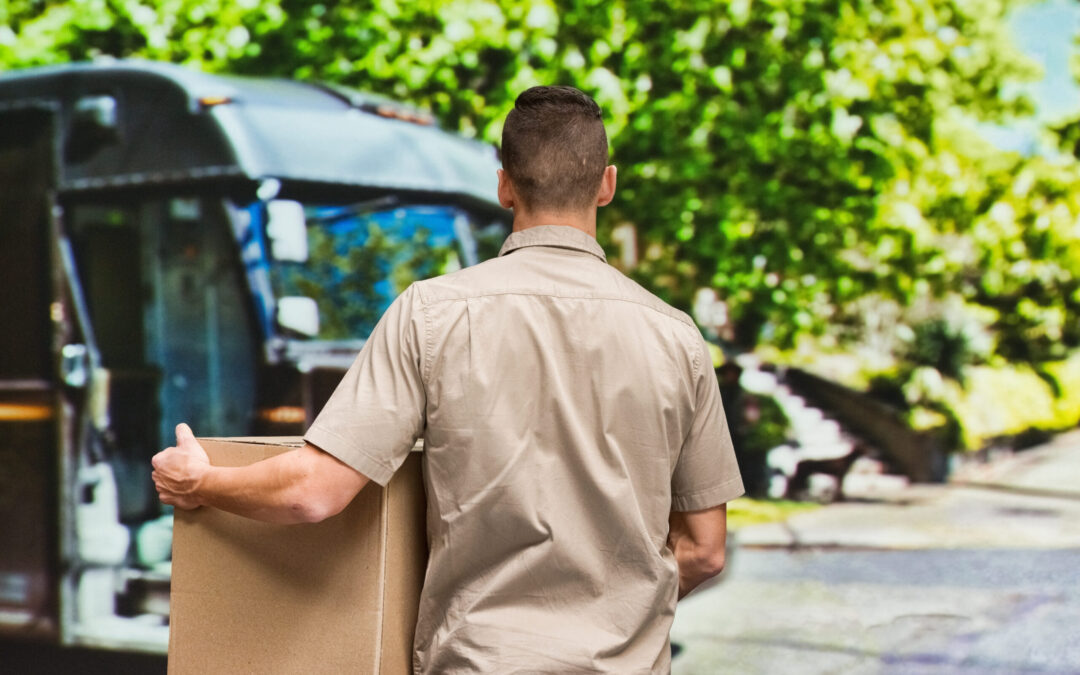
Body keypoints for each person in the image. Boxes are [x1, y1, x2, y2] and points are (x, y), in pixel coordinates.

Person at [152, 85, 744, 673]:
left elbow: (314, 492)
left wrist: (202, 483)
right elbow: (705, 550)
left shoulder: (432, 313)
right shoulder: (677, 337)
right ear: (607, 184)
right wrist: (621, 622)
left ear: (504, 183)